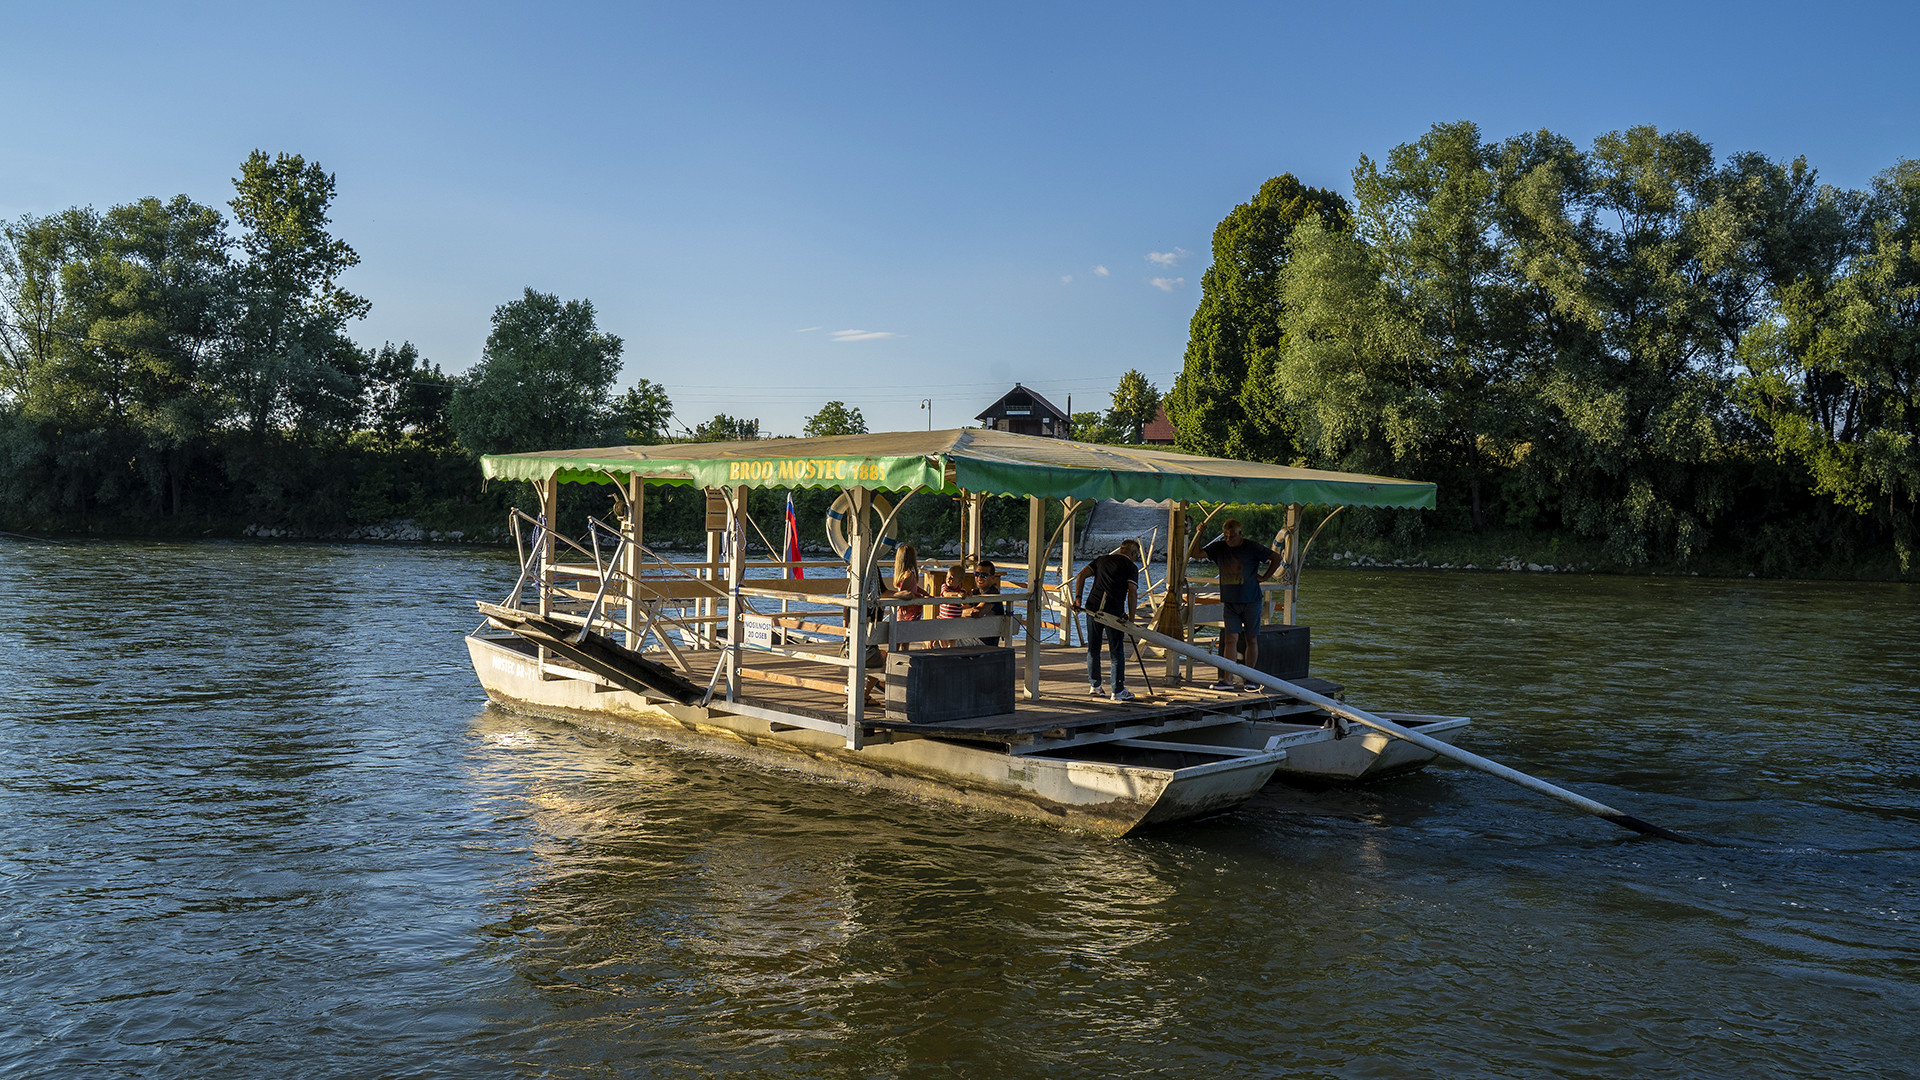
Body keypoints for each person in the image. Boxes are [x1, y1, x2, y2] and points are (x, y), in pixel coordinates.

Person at [1187, 517, 1278, 690]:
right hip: (1230, 601)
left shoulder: (1252, 547)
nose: (1228, 539)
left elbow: (1276, 557)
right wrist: (1199, 533)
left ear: (1240, 534)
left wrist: (1265, 577)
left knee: (1251, 638)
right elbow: (1195, 553)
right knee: (1231, 639)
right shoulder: (1219, 548)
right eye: (1226, 536)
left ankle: (1250, 678)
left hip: (1251, 600)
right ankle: (1227, 679)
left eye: (1232, 536)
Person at [1069, 539, 1141, 700]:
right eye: (1136, 555)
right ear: (1132, 553)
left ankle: (1095, 686)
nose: (1136, 558)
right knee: (1116, 650)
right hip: (1113, 610)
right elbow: (1132, 592)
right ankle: (1118, 690)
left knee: (1093, 648)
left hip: (1092, 607)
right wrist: (1132, 618)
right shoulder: (1131, 567)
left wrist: (1078, 599)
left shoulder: (1102, 559)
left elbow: (1081, 575)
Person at [888, 544, 929, 651]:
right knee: (904, 638)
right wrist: (919, 596)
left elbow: (914, 587)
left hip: (904, 610)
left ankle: (897, 654)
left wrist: (925, 594)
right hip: (908, 609)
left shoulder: (905, 575)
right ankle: (901, 655)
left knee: (901, 636)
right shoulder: (909, 575)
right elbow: (905, 592)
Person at [967, 558, 1005, 648]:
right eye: (977, 574)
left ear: (992, 577)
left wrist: (958, 612)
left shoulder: (992, 594)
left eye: (984, 575)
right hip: (972, 637)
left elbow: (977, 612)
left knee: (943, 644)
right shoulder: (975, 593)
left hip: (984, 643)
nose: (979, 577)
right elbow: (964, 608)